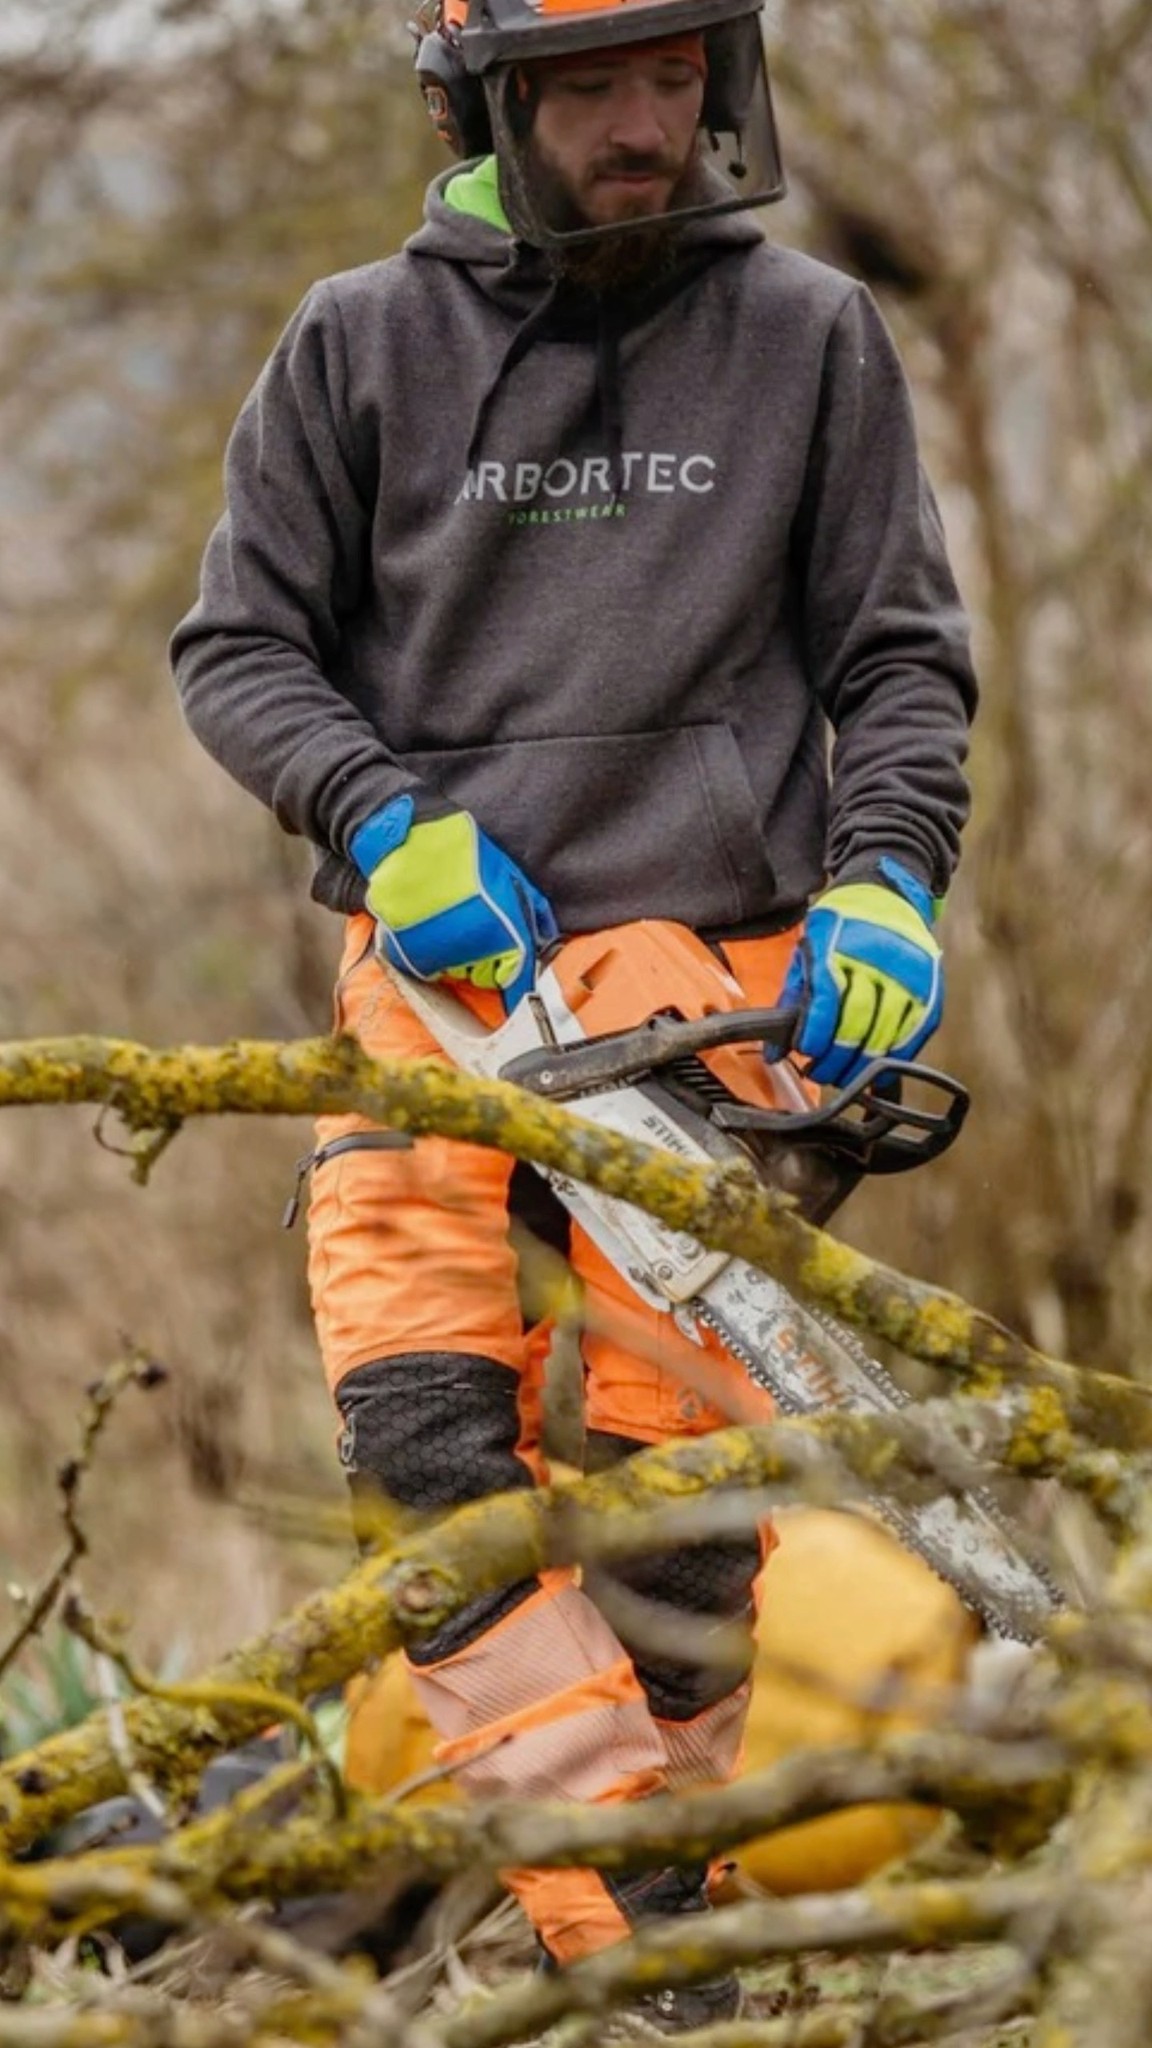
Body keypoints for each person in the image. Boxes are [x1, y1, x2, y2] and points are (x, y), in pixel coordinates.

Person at [170, 0, 976, 2025]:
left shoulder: (806, 336)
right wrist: (378, 814)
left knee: (684, 1534)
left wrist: (887, 875)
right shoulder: (356, 346)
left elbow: (897, 660)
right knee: (433, 1471)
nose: (646, 128)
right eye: (594, 86)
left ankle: (668, 1934)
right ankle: (623, 1948)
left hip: (721, 982)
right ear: (483, 99)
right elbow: (238, 644)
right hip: (447, 981)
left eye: (674, 78)